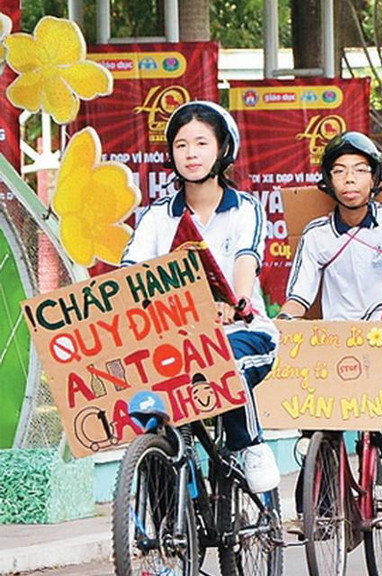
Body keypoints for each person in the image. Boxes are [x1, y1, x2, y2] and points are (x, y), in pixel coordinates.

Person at [281, 131, 382, 540]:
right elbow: (299, 294)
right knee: (317, 424)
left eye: (359, 171)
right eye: (340, 171)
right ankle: (316, 506)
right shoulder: (316, 235)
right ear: (328, 181)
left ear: (374, 178)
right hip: (338, 343)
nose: (350, 180)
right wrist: (283, 320)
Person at [120, 101, 280, 494]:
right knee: (144, 405)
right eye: (180, 145)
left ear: (223, 149)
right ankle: (163, 520)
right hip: (176, 341)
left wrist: (238, 303)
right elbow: (130, 273)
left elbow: (246, 260)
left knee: (227, 364)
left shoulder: (245, 209)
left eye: (201, 143)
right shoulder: (158, 216)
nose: (190, 154)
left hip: (243, 334)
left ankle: (249, 445)